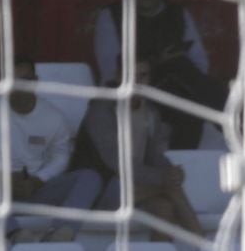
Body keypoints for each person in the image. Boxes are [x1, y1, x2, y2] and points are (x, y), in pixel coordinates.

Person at [0, 56, 101, 242]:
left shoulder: (53, 118)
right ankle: (15, 233)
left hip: (34, 191)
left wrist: (38, 180)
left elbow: (60, 156)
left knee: (90, 177)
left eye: (25, 80)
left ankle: (61, 232)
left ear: (36, 82)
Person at [93, 0, 230, 151]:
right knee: (181, 82)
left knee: (184, 76)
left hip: (179, 86)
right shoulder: (112, 14)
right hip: (136, 88)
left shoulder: (178, 13)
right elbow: (110, 70)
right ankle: (225, 120)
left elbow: (201, 62)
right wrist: (157, 63)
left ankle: (230, 129)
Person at [75, 96, 206, 239]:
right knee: (170, 187)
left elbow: (154, 156)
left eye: (143, 76)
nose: (136, 82)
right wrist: (163, 177)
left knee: (165, 208)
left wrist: (171, 171)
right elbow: (118, 163)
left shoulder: (150, 112)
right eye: (131, 77)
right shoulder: (101, 111)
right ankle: (202, 243)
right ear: (119, 77)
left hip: (135, 187)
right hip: (101, 189)